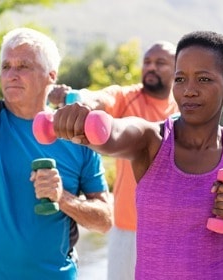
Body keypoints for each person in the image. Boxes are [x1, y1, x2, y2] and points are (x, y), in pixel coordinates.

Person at [51, 30, 223, 279]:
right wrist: (85, 124)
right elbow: (116, 133)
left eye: (203, 79)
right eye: (180, 79)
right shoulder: (152, 141)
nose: (189, 90)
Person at [0, 27, 112, 279]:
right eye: (6, 66)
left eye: (23, 66)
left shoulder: (77, 135)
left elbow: (105, 220)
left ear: (51, 76)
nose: (11, 74)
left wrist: (62, 197)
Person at [48, 41, 178, 279]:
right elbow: (97, 98)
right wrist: (75, 99)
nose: (151, 67)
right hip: (128, 228)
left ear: (177, 69)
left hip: (174, 232)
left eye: (160, 63)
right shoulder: (126, 97)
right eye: (147, 62)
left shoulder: (183, 108)